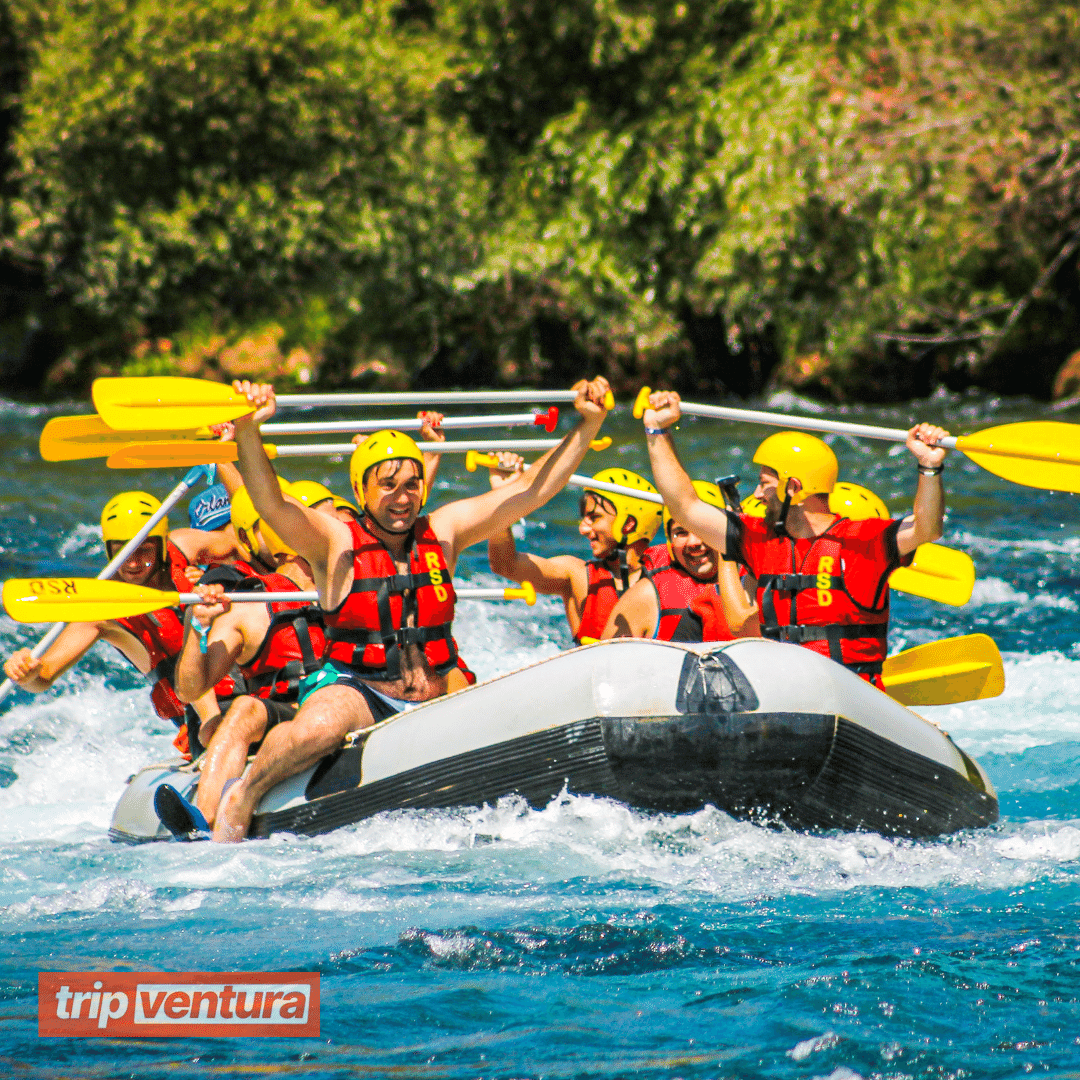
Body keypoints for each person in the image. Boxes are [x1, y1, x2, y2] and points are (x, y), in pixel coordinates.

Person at [210, 376, 614, 841]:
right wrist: (248, 430)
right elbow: (271, 503)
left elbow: (529, 490)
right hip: (360, 690)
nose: (402, 498)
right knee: (315, 730)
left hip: (436, 688)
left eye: (411, 484)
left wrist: (589, 423)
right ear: (361, 490)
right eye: (388, 486)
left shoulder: (444, 531)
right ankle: (244, 793)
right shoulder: (334, 541)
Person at [639, 391, 947, 684]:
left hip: (850, 694)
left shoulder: (863, 541)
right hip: (784, 692)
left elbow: (927, 528)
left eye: (764, 483)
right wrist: (657, 431)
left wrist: (929, 466)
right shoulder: (759, 540)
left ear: (794, 488)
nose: (757, 495)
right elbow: (685, 507)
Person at [2, 492, 224, 749]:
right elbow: (45, 676)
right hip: (202, 719)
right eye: (122, 551)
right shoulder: (102, 612)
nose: (133, 562)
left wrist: (213, 575)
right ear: (108, 549)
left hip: (242, 676)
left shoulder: (186, 546)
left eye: (144, 550)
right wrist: (28, 674)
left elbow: (245, 549)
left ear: (163, 545)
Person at [157, 505, 325, 836]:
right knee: (245, 709)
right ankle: (205, 821)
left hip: (348, 700)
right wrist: (197, 627)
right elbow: (189, 690)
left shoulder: (349, 585)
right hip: (289, 711)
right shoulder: (244, 603)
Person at [487, 465, 664, 644]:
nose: (582, 529)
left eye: (594, 518)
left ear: (628, 524)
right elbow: (505, 564)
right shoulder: (577, 576)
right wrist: (502, 496)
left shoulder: (668, 577)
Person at [601, 482, 759, 641]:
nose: (694, 542)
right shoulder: (645, 595)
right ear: (670, 541)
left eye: (703, 528)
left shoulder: (754, 581)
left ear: (725, 530)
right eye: (681, 533)